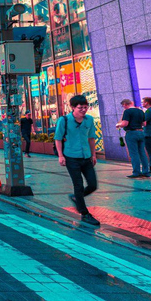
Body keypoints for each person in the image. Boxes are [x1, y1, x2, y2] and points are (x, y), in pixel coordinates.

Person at [55, 95, 100, 226]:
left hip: (86, 157)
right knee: (78, 184)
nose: (83, 110)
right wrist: (60, 156)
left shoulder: (89, 120)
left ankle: (76, 198)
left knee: (93, 185)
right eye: (80, 108)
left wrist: (93, 154)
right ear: (73, 107)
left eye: (85, 107)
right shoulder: (64, 120)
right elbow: (58, 138)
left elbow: (91, 138)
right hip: (71, 157)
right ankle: (85, 213)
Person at [116, 99, 149, 178]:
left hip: (131, 133)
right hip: (141, 132)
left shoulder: (127, 111)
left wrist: (118, 125)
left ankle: (136, 172)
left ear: (125, 104)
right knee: (142, 153)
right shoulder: (140, 111)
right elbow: (144, 123)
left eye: (123, 105)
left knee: (134, 153)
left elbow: (125, 123)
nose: (123, 107)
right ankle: (146, 172)